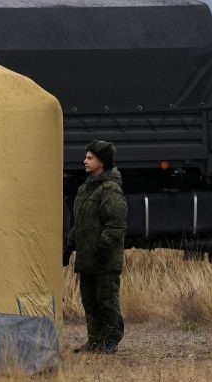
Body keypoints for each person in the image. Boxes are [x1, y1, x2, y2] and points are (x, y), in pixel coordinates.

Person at [63, 140, 127, 354]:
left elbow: (116, 224)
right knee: (89, 301)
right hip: (87, 260)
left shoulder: (111, 189)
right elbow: (79, 224)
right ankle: (95, 340)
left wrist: (104, 249)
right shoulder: (85, 189)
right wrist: (68, 247)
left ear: (102, 162)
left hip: (104, 260)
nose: (85, 161)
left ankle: (111, 339)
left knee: (106, 300)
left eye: (90, 158)